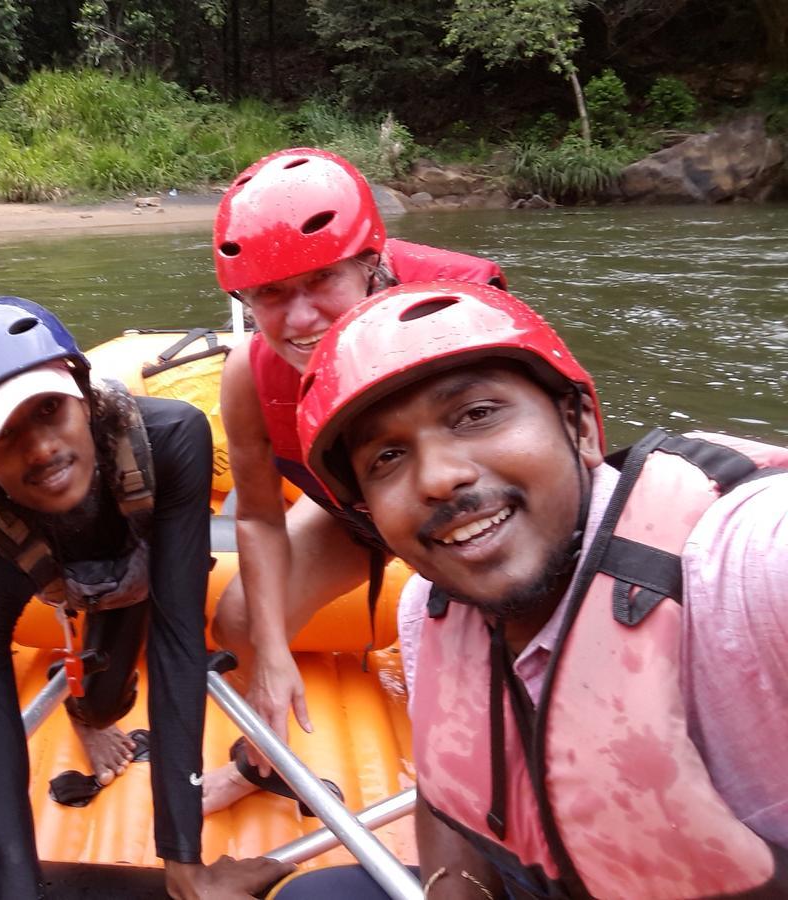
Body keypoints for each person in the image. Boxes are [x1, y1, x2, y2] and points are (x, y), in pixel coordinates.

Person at [287, 280, 788, 898]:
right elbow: (450, 792)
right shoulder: (428, 608)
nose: (441, 478)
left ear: (579, 425)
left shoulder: (744, 561)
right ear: (369, 516)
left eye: (476, 415)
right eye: (387, 457)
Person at [0, 296, 294, 899]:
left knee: (108, 702)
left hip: (131, 556)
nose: (40, 449)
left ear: (84, 399)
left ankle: (88, 712)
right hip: (49, 570)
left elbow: (176, 642)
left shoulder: (171, 438)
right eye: (3, 434)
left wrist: (184, 864)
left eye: (49, 411)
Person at [205, 147, 506, 813]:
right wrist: (273, 653)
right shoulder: (248, 376)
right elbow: (255, 515)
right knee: (242, 622)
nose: (301, 318)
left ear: (370, 263)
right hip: (355, 509)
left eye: (321, 281)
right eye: (272, 294)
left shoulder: (460, 319)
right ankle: (263, 763)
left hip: (462, 507)